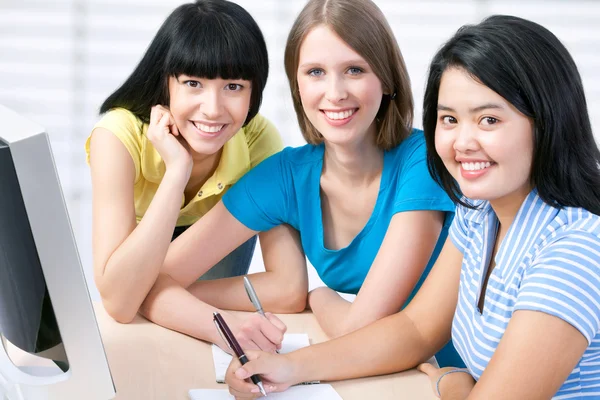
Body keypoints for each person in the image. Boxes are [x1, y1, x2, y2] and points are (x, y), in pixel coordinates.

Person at [224, 15, 600, 400]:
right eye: (449, 119)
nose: (463, 142)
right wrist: (290, 367)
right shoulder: (478, 211)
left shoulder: (573, 251)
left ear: (547, 123)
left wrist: (451, 383)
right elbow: (418, 329)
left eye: (489, 119)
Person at [140, 0, 462, 365]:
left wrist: (319, 296)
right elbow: (148, 282)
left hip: (465, 378)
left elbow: (360, 327)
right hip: (383, 378)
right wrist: (216, 320)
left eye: (354, 69)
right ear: (296, 83)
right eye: (315, 72)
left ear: (386, 79)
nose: (335, 92)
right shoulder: (285, 176)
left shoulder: (423, 162)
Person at [86, 0, 288, 351]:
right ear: (165, 82)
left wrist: (156, 294)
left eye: (234, 86)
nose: (212, 108)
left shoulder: (258, 142)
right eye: (193, 83)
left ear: (255, 89)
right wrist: (177, 172)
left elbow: (286, 286)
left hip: (202, 335)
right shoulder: (118, 137)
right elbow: (120, 305)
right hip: (143, 337)